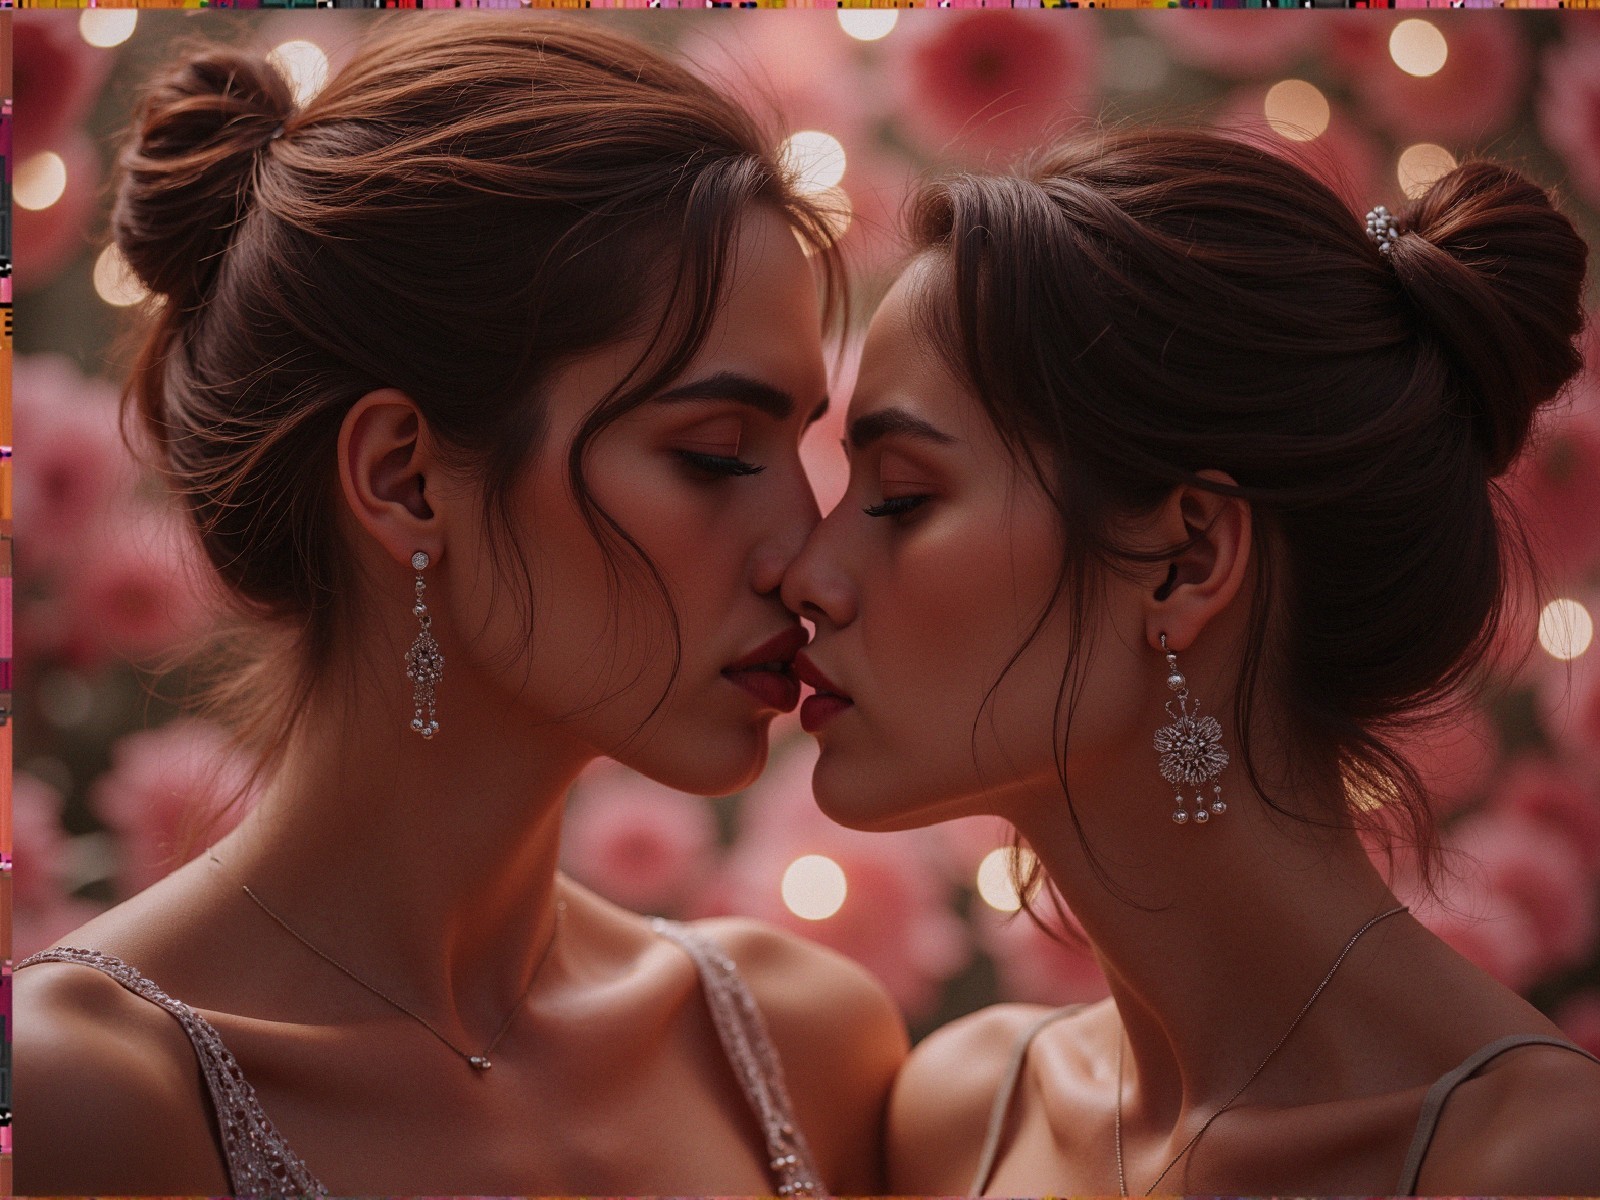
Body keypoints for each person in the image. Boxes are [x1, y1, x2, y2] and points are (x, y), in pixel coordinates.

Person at [16, 17, 906, 1196]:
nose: (806, 554)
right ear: (403, 478)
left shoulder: (806, 1050)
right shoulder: (86, 1098)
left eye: (804, 447)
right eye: (714, 454)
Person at [781, 128, 1600, 1194]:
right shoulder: (964, 1114)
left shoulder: (1533, 1164)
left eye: (899, 498)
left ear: (1186, 558)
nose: (808, 571)